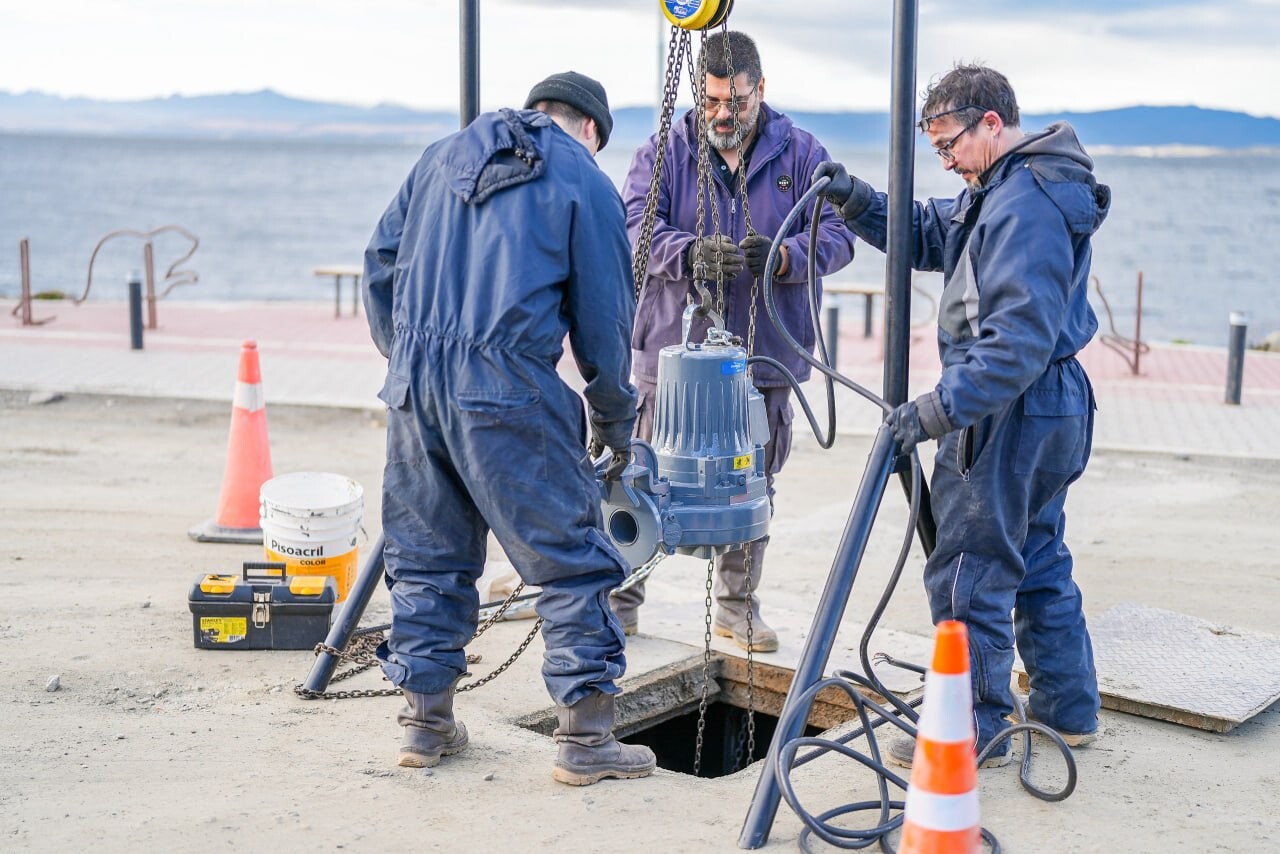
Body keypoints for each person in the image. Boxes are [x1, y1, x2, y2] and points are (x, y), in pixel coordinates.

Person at [362, 71, 655, 786]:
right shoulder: (583, 178)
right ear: (590, 128)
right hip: (506, 390)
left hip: (415, 389)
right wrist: (615, 417)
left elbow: (379, 264)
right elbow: (605, 319)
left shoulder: (440, 157)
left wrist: (406, 356)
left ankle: (425, 725)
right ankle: (586, 740)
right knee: (571, 560)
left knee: (428, 557)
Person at [815, 64, 1109, 766]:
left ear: (993, 124)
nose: (944, 161)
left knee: (969, 571)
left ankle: (973, 732)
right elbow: (933, 231)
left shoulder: (1025, 204)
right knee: (1036, 556)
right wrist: (858, 202)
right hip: (1052, 405)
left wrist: (937, 411)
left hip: (1010, 408)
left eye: (949, 145)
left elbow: (1016, 341)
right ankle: (1068, 712)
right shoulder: (1006, 188)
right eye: (936, 149)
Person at [618, 30, 857, 651]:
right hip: (671, 353)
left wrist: (784, 258)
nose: (725, 115)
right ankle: (619, 600)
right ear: (699, 92)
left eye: (739, 102)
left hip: (765, 353)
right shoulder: (664, 150)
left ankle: (736, 606)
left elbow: (838, 234)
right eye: (715, 102)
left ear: (760, 91)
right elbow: (636, 225)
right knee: (643, 471)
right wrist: (689, 251)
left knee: (753, 479)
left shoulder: (803, 154)